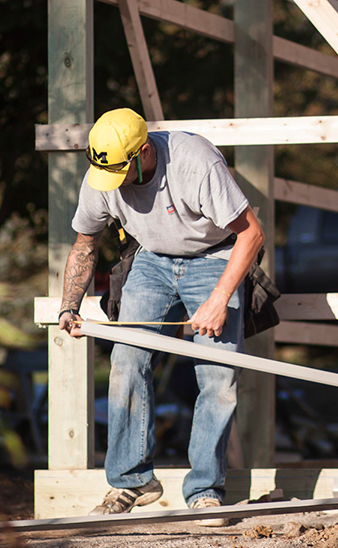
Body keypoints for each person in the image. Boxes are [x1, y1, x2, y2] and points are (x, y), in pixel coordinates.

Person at [57, 108, 264, 525]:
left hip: (214, 257)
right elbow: (85, 243)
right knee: (127, 361)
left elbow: (251, 233)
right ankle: (131, 481)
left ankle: (205, 491)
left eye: (121, 172)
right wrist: (69, 305)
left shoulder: (196, 162)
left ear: (144, 153)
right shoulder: (104, 172)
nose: (112, 184)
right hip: (151, 260)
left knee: (218, 376)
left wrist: (220, 297)